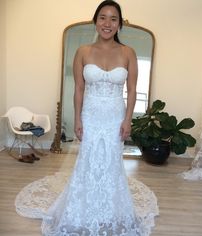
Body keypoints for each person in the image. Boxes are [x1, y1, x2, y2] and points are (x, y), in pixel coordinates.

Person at [14, 1, 158, 235]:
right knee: (88, 161)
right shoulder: (82, 51)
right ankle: (82, 209)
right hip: (90, 115)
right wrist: (78, 120)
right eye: (103, 17)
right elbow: (79, 89)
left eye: (113, 19)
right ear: (95, 21)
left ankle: (109, 210)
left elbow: (131, 90)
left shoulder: (128, 53)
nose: (107, 23)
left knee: (111, 161)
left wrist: (128, 120)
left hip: (114, 115)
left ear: (119, 24)